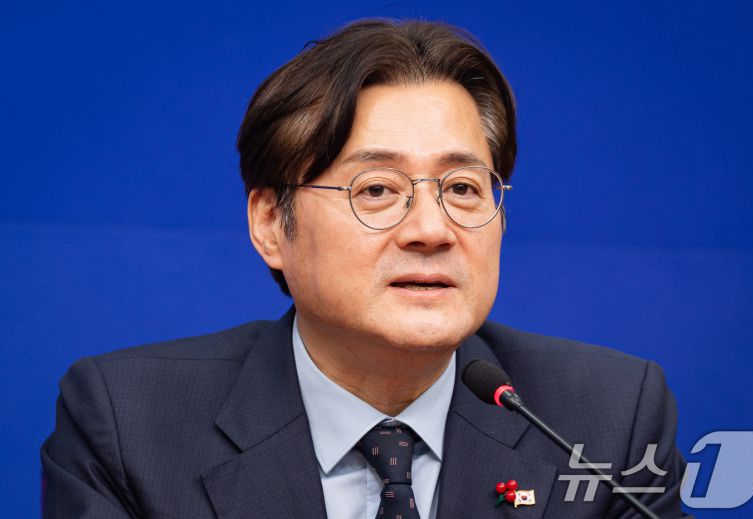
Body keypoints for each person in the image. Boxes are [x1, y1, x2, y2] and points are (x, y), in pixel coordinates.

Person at [41, 19, 690, 518]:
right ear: (270, 222)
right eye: (377, 189)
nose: (432, 230)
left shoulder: (608, 419)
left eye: (463, 188)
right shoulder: (130, 424)